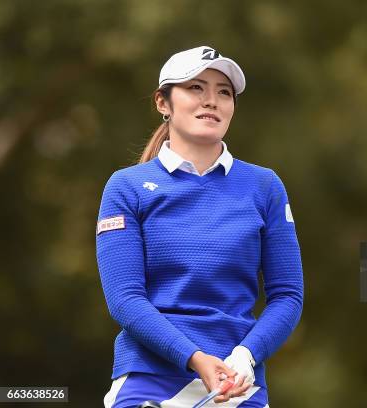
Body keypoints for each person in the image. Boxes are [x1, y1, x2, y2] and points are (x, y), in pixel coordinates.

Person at [96, 45, 304, 408]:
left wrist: (246, 356)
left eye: (224, 92)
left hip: (237, 385)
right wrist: (193, 357)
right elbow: (125, 299)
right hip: (148, 381)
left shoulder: (265, 186)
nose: (212, 100)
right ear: (164, 103)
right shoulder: (126, 187)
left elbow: (287, 296)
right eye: (196, 88)